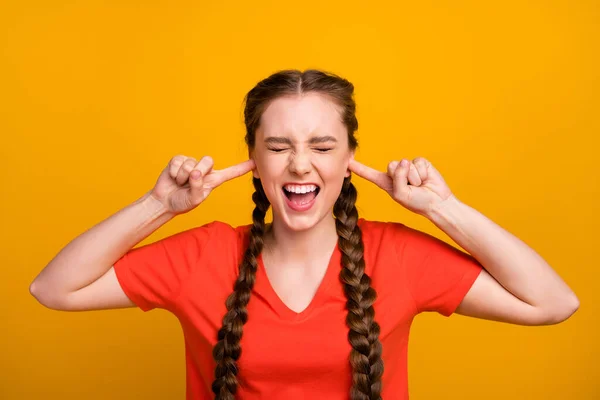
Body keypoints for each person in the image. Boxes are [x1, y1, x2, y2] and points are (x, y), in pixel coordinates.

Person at [29, 69, 579, 400]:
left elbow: (553, 302)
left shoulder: (396, 256)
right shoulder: (205, 255)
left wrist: (443, 209)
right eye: (277, 147)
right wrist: (158, 207)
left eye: (321, 147)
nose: (299, 166)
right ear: (253, 159)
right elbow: (54, 289)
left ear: (349, 159)